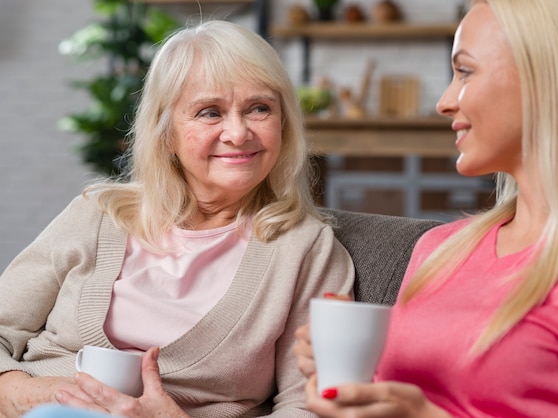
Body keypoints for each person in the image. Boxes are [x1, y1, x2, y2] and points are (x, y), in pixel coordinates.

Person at [0, 20, 354, 418]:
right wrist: (22, 393)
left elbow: (311, 407)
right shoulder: (98, 214)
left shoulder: (306, 249)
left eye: (259, 108)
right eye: (209, 112)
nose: (238, 133)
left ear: (284, 125)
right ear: (166, 134)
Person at [294, 0, 558, 416]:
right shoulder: (439, 250)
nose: (444, 102)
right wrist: (353, 377)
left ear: (546, 77)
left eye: (465, 71)